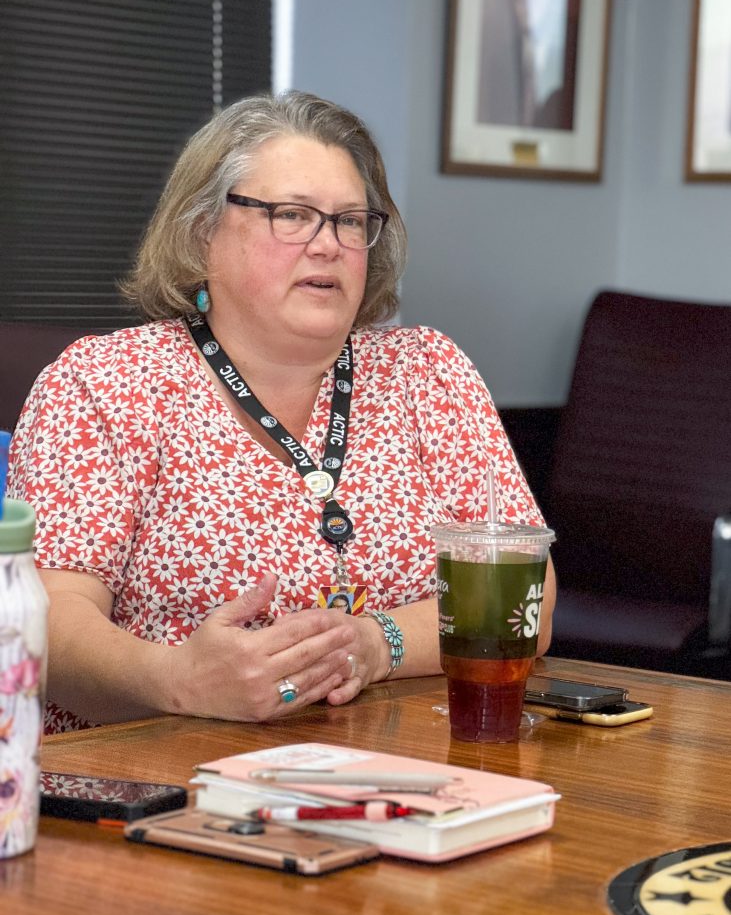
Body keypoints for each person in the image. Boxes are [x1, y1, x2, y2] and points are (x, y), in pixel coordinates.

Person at [8, 91, 556, 734]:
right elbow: (47, 621)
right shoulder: (107, 385)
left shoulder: (428, 373)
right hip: (158, 777)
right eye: (292, 215)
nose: (328, 244)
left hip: (402, 771)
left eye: (350, 221)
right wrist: (180, 681)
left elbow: (527, 602)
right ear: (201, 231)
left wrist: (379, 645)